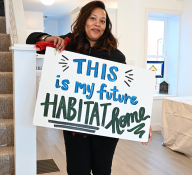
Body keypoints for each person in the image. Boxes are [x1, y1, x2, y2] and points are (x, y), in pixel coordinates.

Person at [27, 1, 152, 175]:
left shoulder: (116, 56)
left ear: (105, 26)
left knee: (102, 170)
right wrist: (47, 38)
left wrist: (143, 120)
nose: (97, 24)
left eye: (102, 21)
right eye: (93, 18)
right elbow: (30, 40)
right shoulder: (67, 44)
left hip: (105, 126)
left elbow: (128, 91)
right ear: (84, 21)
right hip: (75, 126)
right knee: (78, 170)